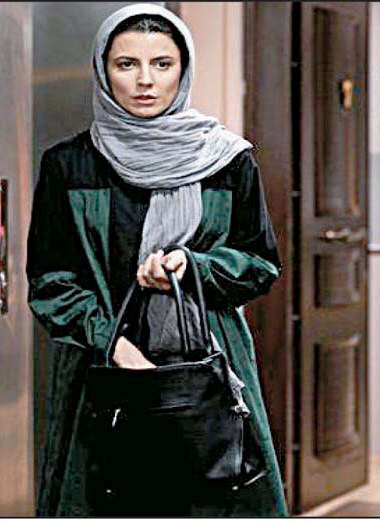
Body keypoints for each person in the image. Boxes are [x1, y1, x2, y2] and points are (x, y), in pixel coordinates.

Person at [26, 3, 288, 518]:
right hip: (101, 372)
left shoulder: (227, 160)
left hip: (208, 370)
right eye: (127, 64)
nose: (145, 81)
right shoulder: (69, 165)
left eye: (162, 64)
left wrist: (195, 268)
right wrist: (113, 344)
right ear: (103, 71)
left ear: (183, 70)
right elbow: (51, 281)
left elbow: (259, 263)